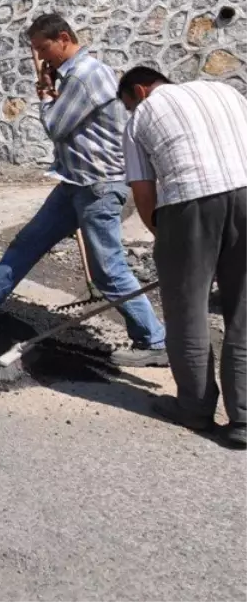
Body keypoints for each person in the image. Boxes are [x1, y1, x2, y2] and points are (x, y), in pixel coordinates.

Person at [0, 13, 166, 367]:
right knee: (28, 241)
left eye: (44, 49)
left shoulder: (84, 75)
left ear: (63, 38)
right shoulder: (74, 74)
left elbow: (56, 126)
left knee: (108, 268)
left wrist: (45, 96)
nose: (43, 57)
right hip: (75, 182)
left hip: (98, 186)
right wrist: (50, 87)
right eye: (37, 51)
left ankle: (154, 340)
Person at [118, 66, 247, 445]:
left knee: (186, 309)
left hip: (189, 203)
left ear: (140, 91)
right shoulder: (226, 92)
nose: (129, 111)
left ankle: (194, 408)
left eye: (127, 105)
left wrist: (170, 243)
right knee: (243, 309)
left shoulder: (141, 116)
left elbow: (144, 193)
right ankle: (244, 420)